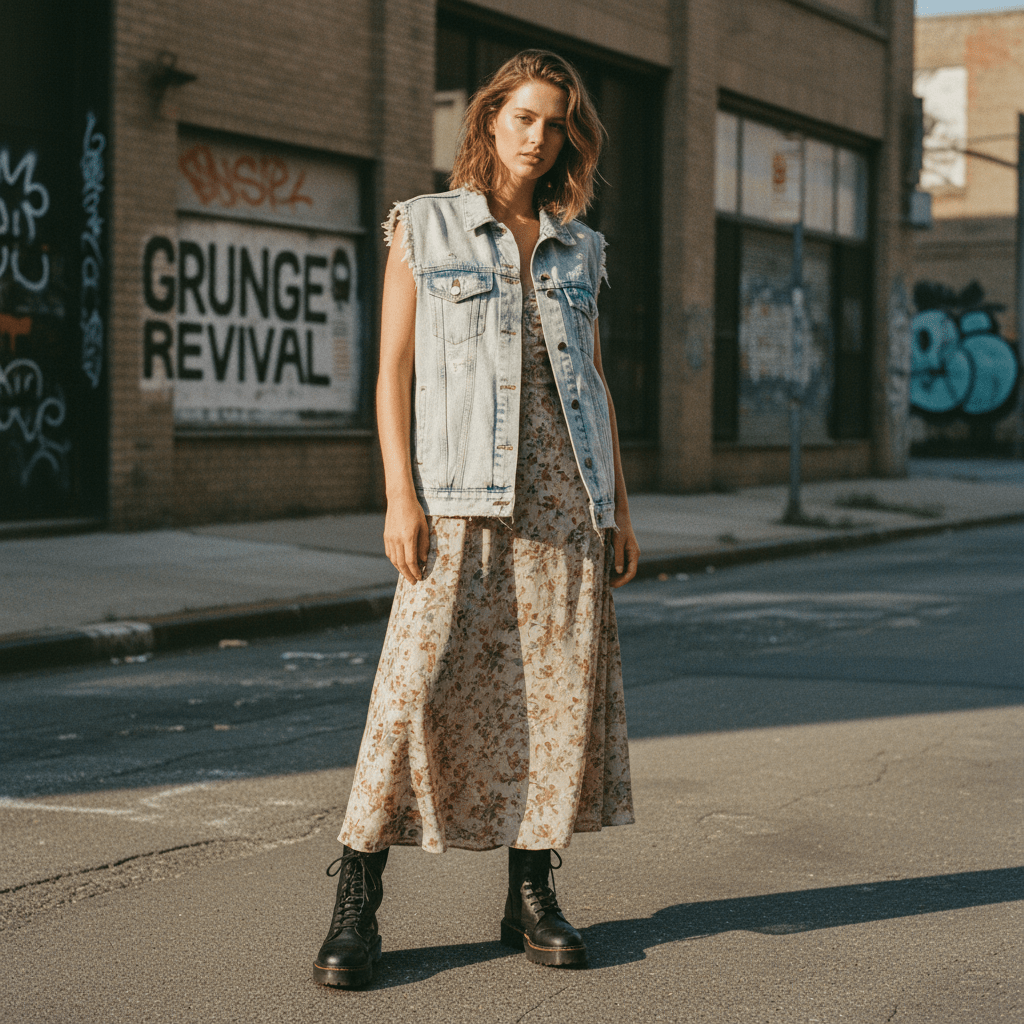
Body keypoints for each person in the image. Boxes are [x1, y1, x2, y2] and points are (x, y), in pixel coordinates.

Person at [313, 49, 640, 989]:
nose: (538, 138)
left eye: (555, 124)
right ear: (490, 117)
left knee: (553, 699)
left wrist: (619, 506)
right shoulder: (424, 226)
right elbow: (392, 372)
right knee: (408, 693)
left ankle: (530, 892)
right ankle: (357, 900)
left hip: (567, 502)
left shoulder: (581, 246)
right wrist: (399, 495)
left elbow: (594, 381)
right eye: (523, 117)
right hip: (460, 496)